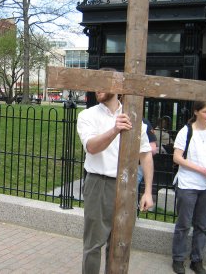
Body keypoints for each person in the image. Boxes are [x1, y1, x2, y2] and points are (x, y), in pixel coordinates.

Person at [77, 87, 154, 274]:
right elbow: (92, 147)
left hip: (127, 186)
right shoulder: (87, 115)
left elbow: (145, 155)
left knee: (119, 243)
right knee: (94, 244)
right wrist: (114, 129)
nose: (98, 89)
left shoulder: (133, 116)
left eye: (103, 84)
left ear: (117, 88)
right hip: (99, 183)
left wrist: (148, 191)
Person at [171, 101, 206, 274]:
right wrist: (201, 169)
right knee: (184, 224)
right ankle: (178, 259)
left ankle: (197, 260)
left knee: (202, 225)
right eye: (205, 111)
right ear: (196, 112)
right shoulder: (186, 131)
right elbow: (177, 158)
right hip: (188, 184)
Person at [137, 118, 158, 188]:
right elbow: (153, 149)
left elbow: (152, 149)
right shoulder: (142, 121)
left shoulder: (142, 121)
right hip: (135, 165)